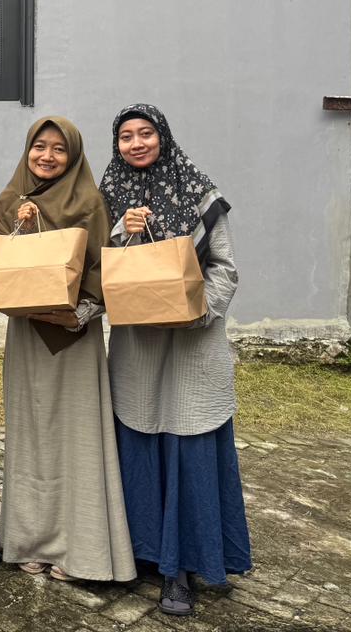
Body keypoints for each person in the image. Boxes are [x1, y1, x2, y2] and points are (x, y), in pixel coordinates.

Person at [99, 103, 252, 616]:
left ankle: (181, 568)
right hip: (138, 346)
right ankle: (142, 553)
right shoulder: (108, 195)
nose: (136, 143)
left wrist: (199, 312)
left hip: (192, 345)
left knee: (188, 440)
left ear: (162, 136)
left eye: (145, 133)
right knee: (141, 438)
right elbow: (96, 267)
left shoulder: (200, 192)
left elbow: (225, 267)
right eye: (126, 136)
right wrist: (121, 230)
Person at [0, 116, 135, 584]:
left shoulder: (90, 202)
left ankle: (82, 548)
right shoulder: (9, 201)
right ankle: (29, 539)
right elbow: (0, 263)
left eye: (59, 148)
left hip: (75, 336)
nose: (47, 156)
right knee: (31, 434)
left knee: (77, 437)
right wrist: (21, 226)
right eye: (39, 146)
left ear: (72, 155)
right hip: (27, 335)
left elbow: (105, 264)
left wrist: (83, 314)